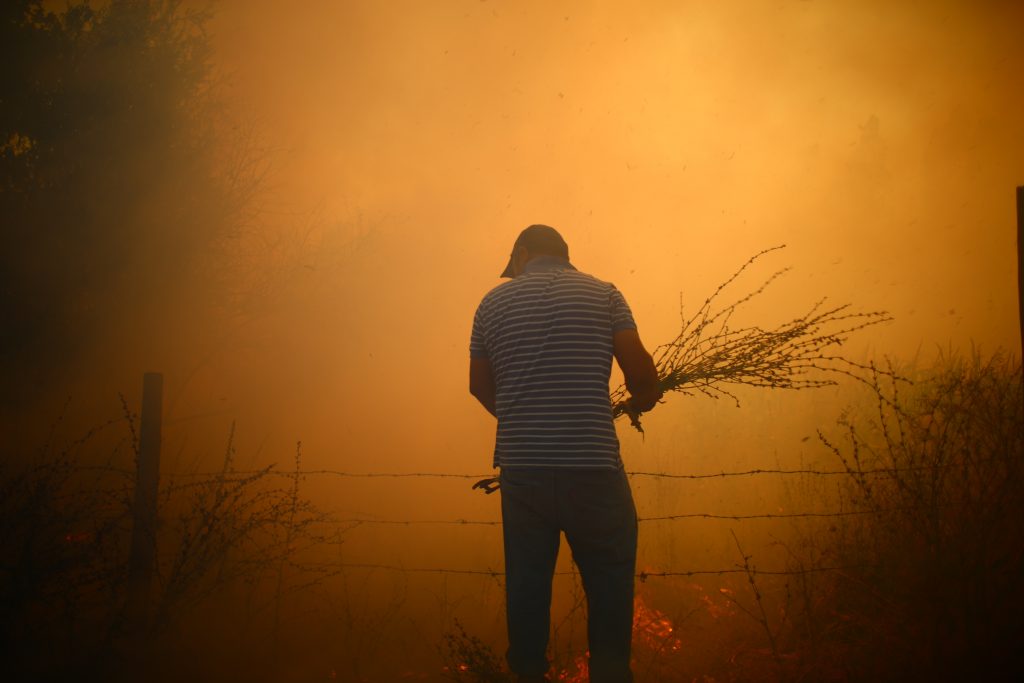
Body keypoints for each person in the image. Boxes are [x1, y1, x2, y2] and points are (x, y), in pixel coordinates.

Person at [468, 225, 662, 683]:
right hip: (592, 468)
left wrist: (521, 417)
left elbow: (478, 384)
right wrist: (643, 399)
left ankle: (530, 673)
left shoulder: (491, 305)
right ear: (565, 255)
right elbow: (639, 371)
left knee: (528, 585)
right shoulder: (605, 294)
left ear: (520, 254)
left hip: (523, 469)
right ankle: (611, 673)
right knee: (609, 582)